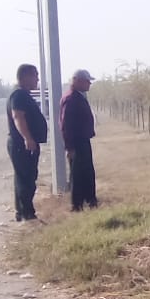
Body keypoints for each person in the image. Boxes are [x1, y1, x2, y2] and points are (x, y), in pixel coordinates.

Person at [6, 62, 48, 222]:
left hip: (23, 144)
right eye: (35, 75)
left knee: (25, 177)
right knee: (26, 179)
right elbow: (18, 117)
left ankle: (22, 212)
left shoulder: (22, 94)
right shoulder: (19, 95)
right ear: (25, 77)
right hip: (21, 145)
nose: (37, 79)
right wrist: (28, 138)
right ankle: (26, 214)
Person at [59, 68, 98, 212]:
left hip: (83, 141)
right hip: (76, 143)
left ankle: (90, 200)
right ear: (77, 81)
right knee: (77, 173)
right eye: (87, 81)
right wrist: (70, 147)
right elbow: (65, 125)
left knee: (86, 172)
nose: (89, 84)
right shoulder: (71, 99)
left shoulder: (78, 96)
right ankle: (77, 205)